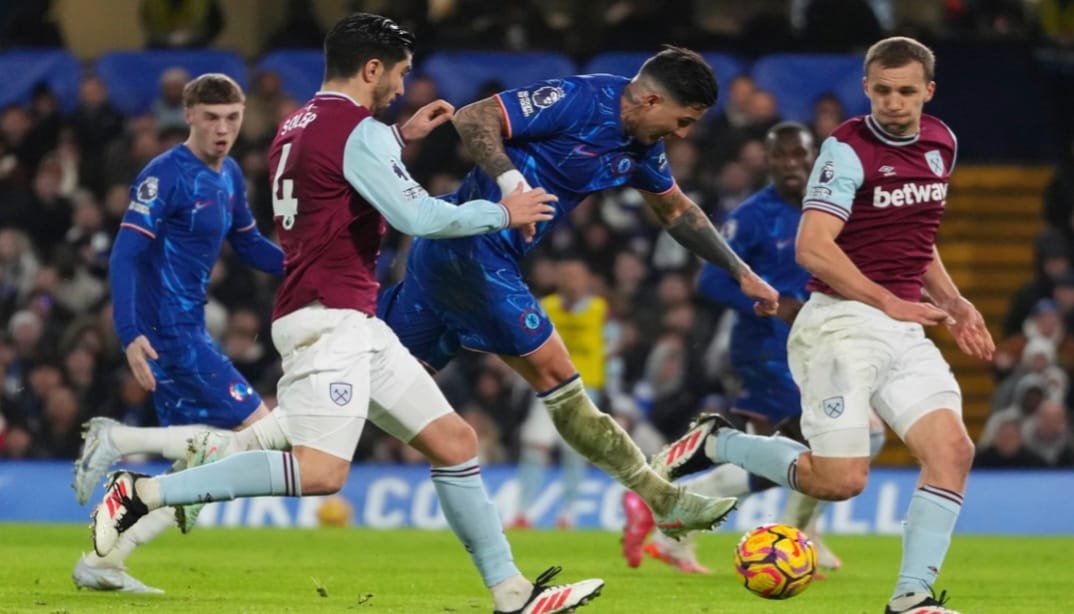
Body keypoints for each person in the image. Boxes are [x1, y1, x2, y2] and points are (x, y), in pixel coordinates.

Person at [90, 14, 602, 614]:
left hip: (351, 319)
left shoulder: (295, 124)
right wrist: (504, 212)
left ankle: (511, 592)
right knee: (321, 472)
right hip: (328, 319)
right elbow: (420, 220)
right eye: (400, 75)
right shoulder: (358, 131)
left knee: (455, 441)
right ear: (371, 68)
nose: (402, 88)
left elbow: (339, 176)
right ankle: (143, 493)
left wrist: (398, 138)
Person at [649, 37, 994, 614]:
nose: (893, 102)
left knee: (953, 452)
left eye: (907, 91)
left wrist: (955, 302)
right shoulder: (845, 149)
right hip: (841, 326)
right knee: (840, 481)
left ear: (928, 92)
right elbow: (812, 249)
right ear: (867, 87)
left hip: (901, 326)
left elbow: (917, 239)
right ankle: (719, 440)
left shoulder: (942, 144)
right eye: (881, 90)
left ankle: (912, 598)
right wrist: (890, 301)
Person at [376, 45, 779, 538]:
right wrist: (511, 183)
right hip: (471, 251)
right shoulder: (580, 99)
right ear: (652, 101)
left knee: (372, 382)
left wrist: (739, 270)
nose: (683, 134)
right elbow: (475, 117)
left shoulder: (640, 147)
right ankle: (662, 499)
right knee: (560, 380)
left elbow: (676, 212)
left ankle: (261, 443)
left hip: (451, 256)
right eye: (683, 119)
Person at [620, 122, 887, 574]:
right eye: (781, 157)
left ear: (814, 160)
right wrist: (775, 304)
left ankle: (679, 521)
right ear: (766, 161)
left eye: (799, 156)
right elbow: (709, 281)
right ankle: (677, 509)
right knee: (837, 441)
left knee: (825, 445)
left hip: (818, 349)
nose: (791, 165)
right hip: (767, 350)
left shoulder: (830, 210)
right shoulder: (752, 216)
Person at [71, 73, 287, 594]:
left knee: (195, 474)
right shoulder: (164, 175)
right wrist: (129, 333)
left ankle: (103, 562)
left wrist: (313, 271)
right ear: (188, 116)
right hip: (167, 330)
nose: (223, 129)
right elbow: (126, 253)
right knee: (264, 434)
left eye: (232, 118)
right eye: (211, 118)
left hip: (189, 326)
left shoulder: (230, 175)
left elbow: (252, 245)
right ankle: (117, 437)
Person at [510, 255, 604, 530]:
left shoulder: (599, 308)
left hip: (584, 390)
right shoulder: (546, 306)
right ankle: (522, 512)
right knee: (534, 448)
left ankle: (568, 515)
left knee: (575, 453)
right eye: (566, 275)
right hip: (548, 388)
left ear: (587, 280)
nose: (571, 281)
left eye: (576, 276)